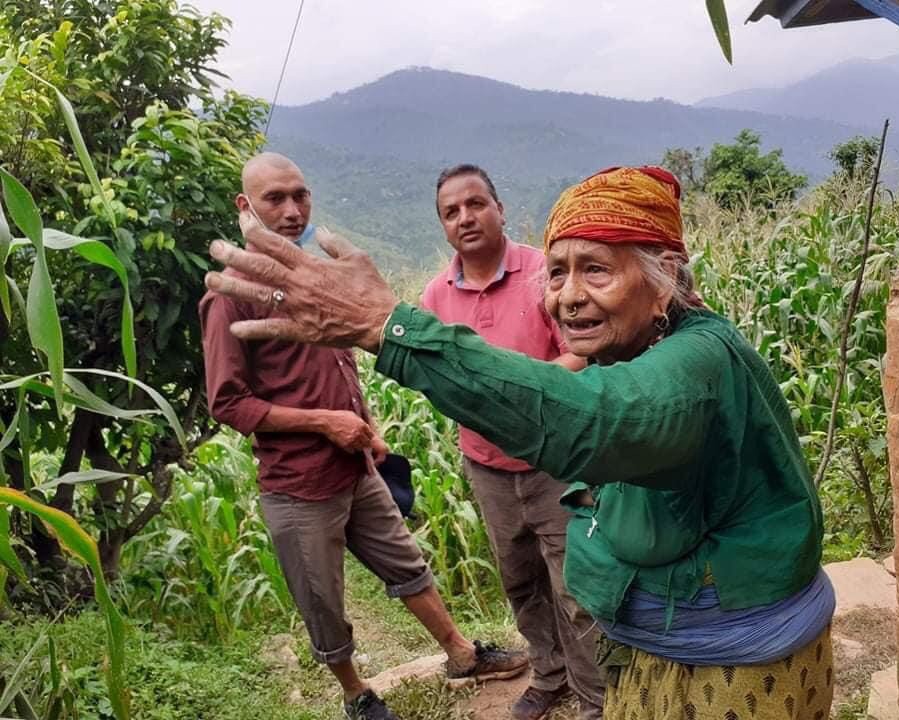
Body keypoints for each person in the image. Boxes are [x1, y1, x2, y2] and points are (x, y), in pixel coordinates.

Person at [205, 165, 837, 720]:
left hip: (734, 662)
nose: (566, 296)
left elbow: (594, 421)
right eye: (558, 273)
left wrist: (385, 328)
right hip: (670, 643)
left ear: (664, 279)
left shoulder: (692, 365)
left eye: (595, 270)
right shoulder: (638, 341)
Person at [198, 152, 529, 720]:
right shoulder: (229, 296)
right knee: (322, 599)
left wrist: (366, 428)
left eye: (299, 195)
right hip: (298, 484)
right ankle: (356, 695)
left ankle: (461, 653)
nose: (292, 209)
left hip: (355, 466)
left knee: (407, 566)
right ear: (244, 206)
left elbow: (336, 366)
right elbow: (227, 402)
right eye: (274, 198)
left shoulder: (315, 280)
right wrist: (324, 423)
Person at [423, 164, 604, 720]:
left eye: (475, 204)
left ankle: (596, 695)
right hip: (487, 467)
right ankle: (548, 676)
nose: (465, 217)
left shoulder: (542, 272)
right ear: (443, 226)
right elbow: (437, 376)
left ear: (499, 208)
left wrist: (527, 398)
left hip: (555, 460)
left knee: (576, 583)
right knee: (520, 579)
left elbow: (582, 350)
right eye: (451, 211)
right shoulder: (436, 296)